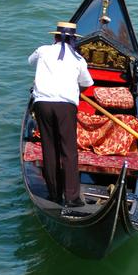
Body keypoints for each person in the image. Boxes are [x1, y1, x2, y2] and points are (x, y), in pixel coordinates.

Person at [28, 21, 94, 207]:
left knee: (49, 148)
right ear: (74, 39)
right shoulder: (78, 59)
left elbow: (29, 61)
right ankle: (72, 198)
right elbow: (88, 83)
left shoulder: (42, 50)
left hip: (43, 104)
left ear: (55, 36)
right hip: (65, 106)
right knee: (69, 151)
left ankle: (54, 195)